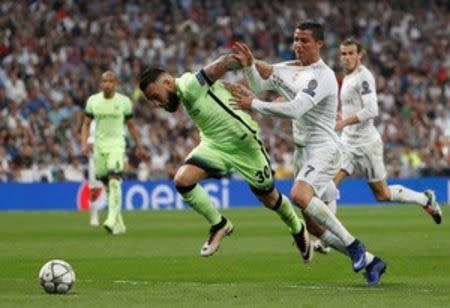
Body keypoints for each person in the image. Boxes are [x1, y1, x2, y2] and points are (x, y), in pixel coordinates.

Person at [229, 22, 386, 285]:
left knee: (299, 195)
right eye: (295, 39)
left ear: (319, 44)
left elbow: (296, 109)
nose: (298, 45)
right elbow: (258, 85)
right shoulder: (290, 68)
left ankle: (355, 245)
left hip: (324, 148)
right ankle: (371, 261)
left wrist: (254, 105)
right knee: (313, 226)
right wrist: (249, 66)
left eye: (304, 41)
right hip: (302, 152)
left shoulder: (322, 76)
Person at [139, 55, 312, 260]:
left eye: (156, 96)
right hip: (215, 145)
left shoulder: (188, 85)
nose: (156, 104)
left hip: (245, 147)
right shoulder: (186, 93)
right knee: (182, 181)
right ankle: (219, 224)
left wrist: (253, 62)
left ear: (167, 82)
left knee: (270, 198)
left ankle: (297, 227)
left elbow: (223, 64)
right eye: (152, 101)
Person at [335, 37, 442, 224]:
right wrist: (341, 117)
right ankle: (325, 238)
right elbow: (353, 107)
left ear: (360, 55)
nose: (347, 57)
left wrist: (344, 122)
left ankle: (425, 199)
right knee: (329, 185)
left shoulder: (364, 77)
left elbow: (371, 110)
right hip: (347, 142)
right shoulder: (347, 77)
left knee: (382, 194)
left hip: (365, 144)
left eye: (351, 53)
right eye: (343, 54)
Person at [81, 71, 148, 235]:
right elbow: (85, 124)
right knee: (107, 184)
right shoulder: (93, 101)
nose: (107, 84)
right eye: (104, 81)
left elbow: (131, 126)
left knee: (114, 181)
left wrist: (140, 146)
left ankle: (110, 219)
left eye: (111, 81)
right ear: (100, 83)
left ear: (115, 83)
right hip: (99, 148)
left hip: (117, 146)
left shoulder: (124, 102)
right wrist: (84, 143)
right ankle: (119, 223)